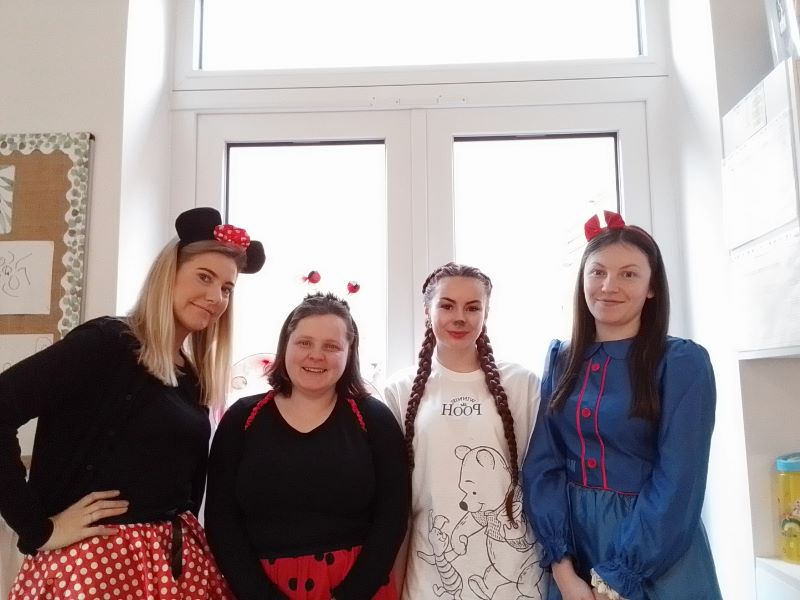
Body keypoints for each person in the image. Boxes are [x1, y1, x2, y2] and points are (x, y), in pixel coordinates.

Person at [0, 207, 265, 600]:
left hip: (175, 565)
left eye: (227, 288)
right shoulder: (106, 344)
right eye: (204, 277)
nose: (215, 297)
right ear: (168, 274)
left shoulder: (191, 379)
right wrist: (37, 528)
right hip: (94, 567)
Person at [522, 211, 722, 600]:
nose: (608, 286)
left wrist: (615, 579)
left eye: (628, 274)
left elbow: (679, 481)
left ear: (652, 287)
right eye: (597, 272)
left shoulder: (682, 362)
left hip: (655, 551)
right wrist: (563, 569)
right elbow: (543, 466)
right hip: (573, 550)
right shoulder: (561, 358)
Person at [205, 292, 409, 600]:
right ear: (285, 345)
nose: (316, 355)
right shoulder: (241, 418)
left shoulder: (374, 418)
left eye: (331, 346)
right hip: (256, 588)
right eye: (304, 343)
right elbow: (221, 519)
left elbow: (392, 516)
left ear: (349, 353)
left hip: (359, 588)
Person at [383, 262, 548, 600]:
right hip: (429, 578)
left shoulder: (521, 383)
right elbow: (393, 503)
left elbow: (544, 477)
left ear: (486, 313)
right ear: (427, 310)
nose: (460, 317)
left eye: (473, 307)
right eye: (447, 306)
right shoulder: (398, 390)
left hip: (516, 577)